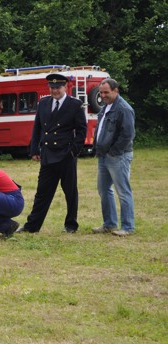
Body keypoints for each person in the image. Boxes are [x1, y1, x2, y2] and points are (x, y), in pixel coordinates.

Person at [17, 73, 87, 234]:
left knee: (70, 192)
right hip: (48, 154)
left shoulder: (75, 104)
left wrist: (74, 151)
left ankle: (71, 224)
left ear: (65, 87)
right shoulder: (44, 103)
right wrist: (34, 149)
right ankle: (32, 226)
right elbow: (37, 128)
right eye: (52, 88)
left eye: (58, 87)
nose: (55, 91)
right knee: (42, 193)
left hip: (66, 155)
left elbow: (82, 131)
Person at [92, 78, 136, 237]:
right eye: (101, 92)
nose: (103, 95)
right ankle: (109, 224)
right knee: (103, 189)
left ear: (116, 91)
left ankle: (128, 227)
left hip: (118, 156)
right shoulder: (106, 107)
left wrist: (114, 152)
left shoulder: (124, 109)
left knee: (123, 191)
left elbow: (128, 135)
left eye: (106, 92)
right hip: (103, 155)